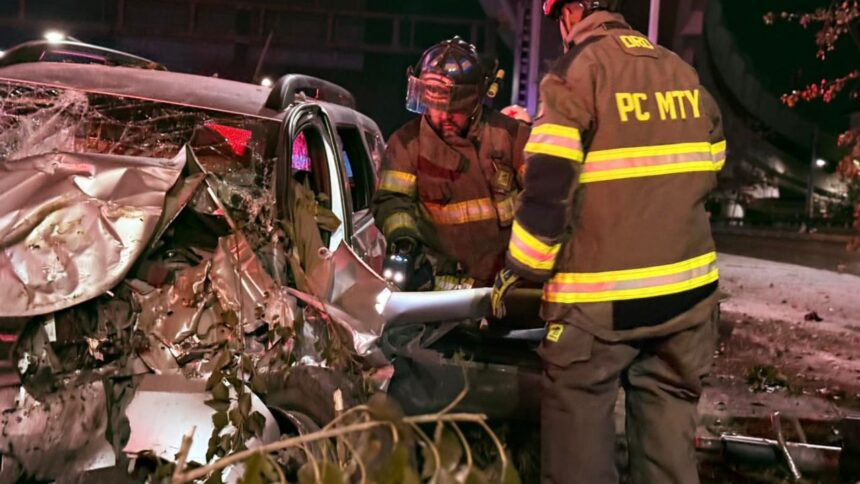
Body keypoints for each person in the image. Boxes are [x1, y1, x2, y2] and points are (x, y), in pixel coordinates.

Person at [491, 1, 726, 482]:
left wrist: (520, 275)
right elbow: (712, 163)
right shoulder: (680, 71)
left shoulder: (578, 72)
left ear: (572, 12)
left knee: (578, 449)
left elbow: (547, 190)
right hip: (687, 301)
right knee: (668, 456)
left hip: (600, 307)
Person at [372, 37, 531, 290]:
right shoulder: (406, 144)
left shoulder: (511, 137)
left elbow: (544, 201)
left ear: (474, 102)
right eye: (433, 106)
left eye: (452, 108)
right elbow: (392, 201)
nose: (441, 116)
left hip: (508, 286)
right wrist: (404, 240)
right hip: (443, 293)